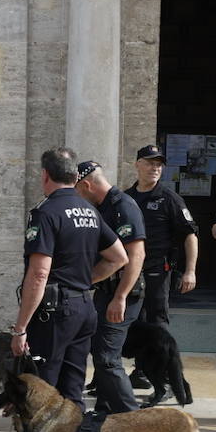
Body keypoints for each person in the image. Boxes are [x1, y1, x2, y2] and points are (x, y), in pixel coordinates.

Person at [6, 148, 128, 432]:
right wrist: (81, 282)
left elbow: (39, 274)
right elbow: (118, 257)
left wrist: (21, 327)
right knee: (73, 400)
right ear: (75, 177)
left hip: (52, 316)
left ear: (45, 175)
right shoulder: (90, 210)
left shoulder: (46, 212)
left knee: (37, 401)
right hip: (83, 307)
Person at [74, 160, 146, 413]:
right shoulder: (103, 206)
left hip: (124, 294)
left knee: (107, 358)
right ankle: (106, 410)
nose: (78, 196)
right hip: (106, 291)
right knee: (99, 351)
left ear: (86, 184)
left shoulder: (122, 206)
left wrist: (121, 296)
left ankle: (133, 418)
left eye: (78, 190)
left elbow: (136, 255)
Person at [125, 144, 198, 327]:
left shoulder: (169, 198)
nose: (155, 168)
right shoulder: (126, 198)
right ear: (137, 165)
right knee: (132, 322)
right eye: (150, 163)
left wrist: (190, 271)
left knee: (157, 322)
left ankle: (158, 356)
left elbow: (190, 234)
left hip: (157, 270)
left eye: (159, 165)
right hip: (129, 270)